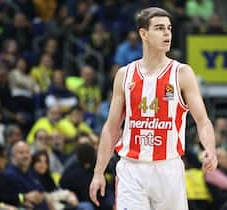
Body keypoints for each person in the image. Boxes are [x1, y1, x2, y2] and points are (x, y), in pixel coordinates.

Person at [89, 7, 217, 210]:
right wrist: (98, 172)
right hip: (131, 168)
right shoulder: (124, 75)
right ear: (143, 34)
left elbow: (203, 121)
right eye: (159, 28)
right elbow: (111, 128)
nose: (167, 33)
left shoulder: (182, 73)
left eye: (169, 28)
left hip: (168, 167)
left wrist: (209, 149)